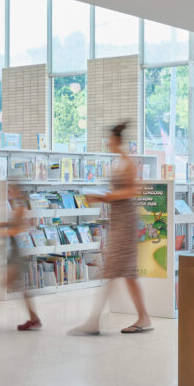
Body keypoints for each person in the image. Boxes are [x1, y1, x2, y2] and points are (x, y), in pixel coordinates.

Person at [70, 122, 153, 334]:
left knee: (114, 270)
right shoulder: (119, 162)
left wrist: (103, 196)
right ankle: (143, 318)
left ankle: (94, 322)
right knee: (126, 273)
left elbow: (132, 191)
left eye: (110, 140)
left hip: (125, 222)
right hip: (119, 220)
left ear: (117, 141)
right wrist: (104, 195)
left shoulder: (127, 162)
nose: (108, 144)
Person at [0, 182, 42, 332]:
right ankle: (34, 319)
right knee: (21, 289)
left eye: (11, 191)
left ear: (18, 192)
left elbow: (16, 230)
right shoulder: (18, 207)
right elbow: (10, 224)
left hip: (16, 255)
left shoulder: (21, 209)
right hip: (15, 254)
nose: (9, 193)